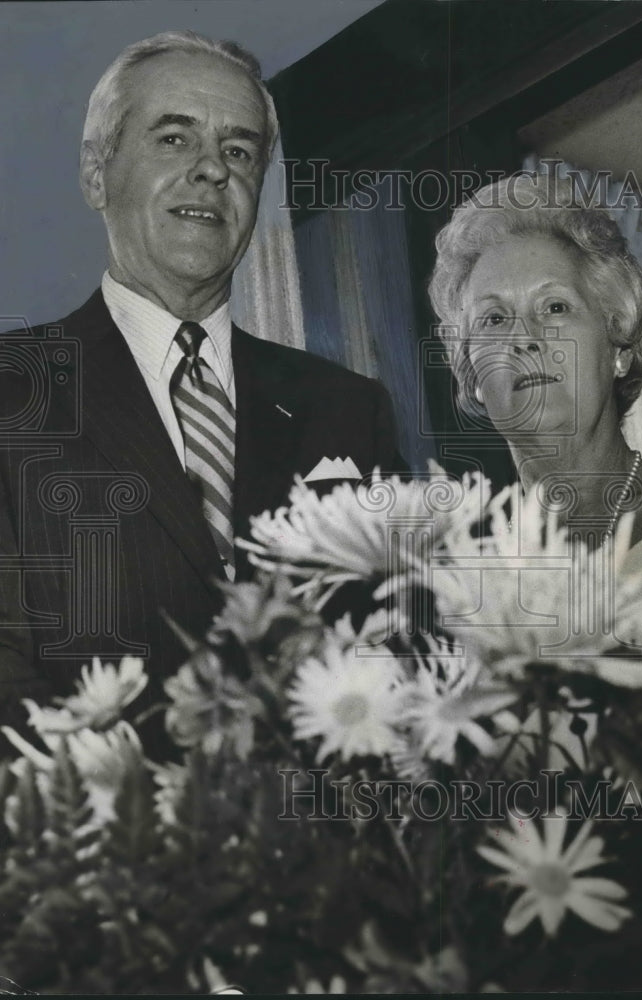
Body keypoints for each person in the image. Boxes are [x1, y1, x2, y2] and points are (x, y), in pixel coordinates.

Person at [0, 31, 405, 745]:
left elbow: (398, 640)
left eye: (239, 151)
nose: (212, 171)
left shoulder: (346, 408)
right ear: (97, 174)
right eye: (175, 140)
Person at [428, 173, 642, 665]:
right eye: (494, 319)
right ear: (472, 372)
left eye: (555, 307)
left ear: (619, 348)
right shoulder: (452, 577)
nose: (524, 340)